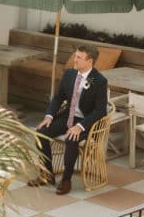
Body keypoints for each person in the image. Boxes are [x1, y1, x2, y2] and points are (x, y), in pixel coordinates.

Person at [32, 45, 108, 196]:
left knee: (71, 138)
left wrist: (80, 126)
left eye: (79, 57)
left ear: (90, 61)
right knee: (41, 132)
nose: (75, 59)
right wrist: (49, 116)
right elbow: (59, 98)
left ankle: (67, 179)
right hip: (68, 116)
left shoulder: (99, 81)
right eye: (75, 56)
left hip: (86, 121)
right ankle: (47, 174)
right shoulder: (69, 74)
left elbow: (100, 111)